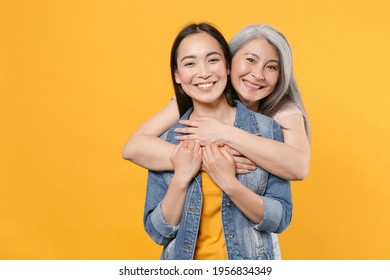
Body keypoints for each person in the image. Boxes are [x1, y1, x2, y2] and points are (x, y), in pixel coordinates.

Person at [123, 24, 310, 259]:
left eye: (271, 67)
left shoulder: (277, 120)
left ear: (224, 64)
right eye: (250, 60)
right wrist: (199, 161)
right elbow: (133, 148)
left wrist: (223, 136)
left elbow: (297, 169)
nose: (258, 74)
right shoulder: (185, 111)